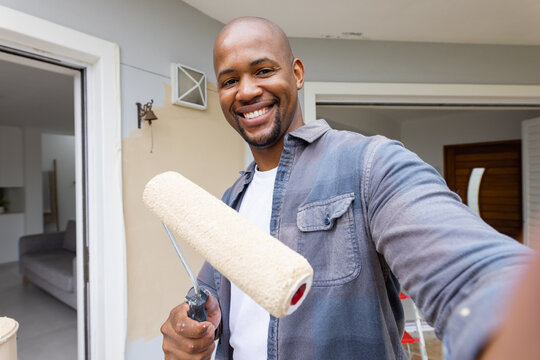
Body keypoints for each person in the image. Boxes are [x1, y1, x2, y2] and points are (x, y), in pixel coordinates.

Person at [160, 17, 532, 360]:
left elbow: (469, 273)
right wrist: (189, 328)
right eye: (229, 81)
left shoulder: (370, 164)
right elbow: (215, 304)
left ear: (297, 73)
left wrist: (510, 315)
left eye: (263, 70)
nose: (246, 91)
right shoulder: (232, 199)